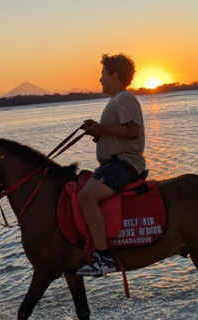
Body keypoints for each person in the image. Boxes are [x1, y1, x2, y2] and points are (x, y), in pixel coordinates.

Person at [76, 53, 146, 277]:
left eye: (103, 74)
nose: (100, 79)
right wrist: (97, 129)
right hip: (115, 163)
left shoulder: (125, 98)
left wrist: (102, 129)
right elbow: (119, 132)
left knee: (87, 196)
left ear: (114, 75)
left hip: (124, 164)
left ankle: (104, 259)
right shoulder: (116, 100)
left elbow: (133, 132)